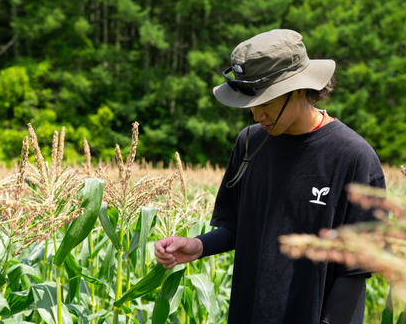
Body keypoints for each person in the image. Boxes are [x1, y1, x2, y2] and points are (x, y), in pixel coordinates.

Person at [154, 29, 385, 324]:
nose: (255, 115)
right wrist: (198, 246)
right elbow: (238, 227)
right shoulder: (249, 143)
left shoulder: (354, 157)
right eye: (251, 105)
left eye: (265, 103)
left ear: (299, 90)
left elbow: (355, 270)